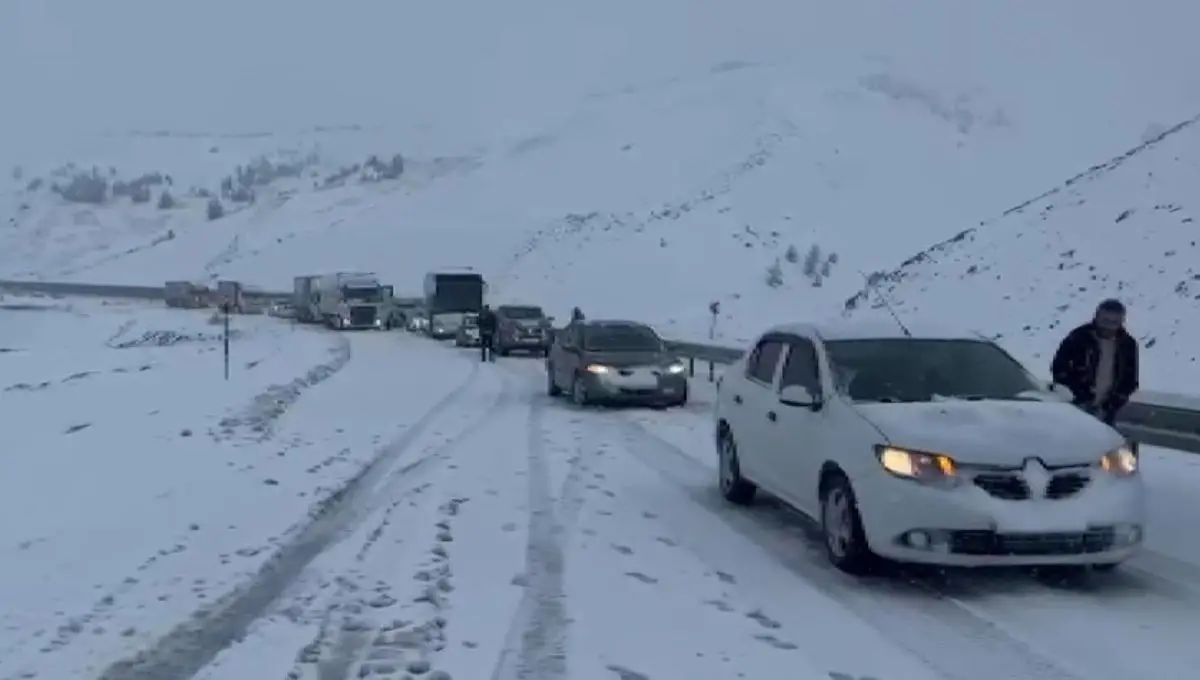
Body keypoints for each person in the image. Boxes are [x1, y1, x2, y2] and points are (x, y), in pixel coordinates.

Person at [1050, 298, 1139, 426]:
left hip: (1106, 411)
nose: (1108, 326)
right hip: (1074, 406)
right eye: (1105, 320)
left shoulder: (1127, 345)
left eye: (1114, 322)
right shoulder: (1079, 337)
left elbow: (1130, 379)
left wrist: (1113, 403)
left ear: (1122, 321)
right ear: (1097, 317)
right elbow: (1058, 367)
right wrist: (1077, 394)